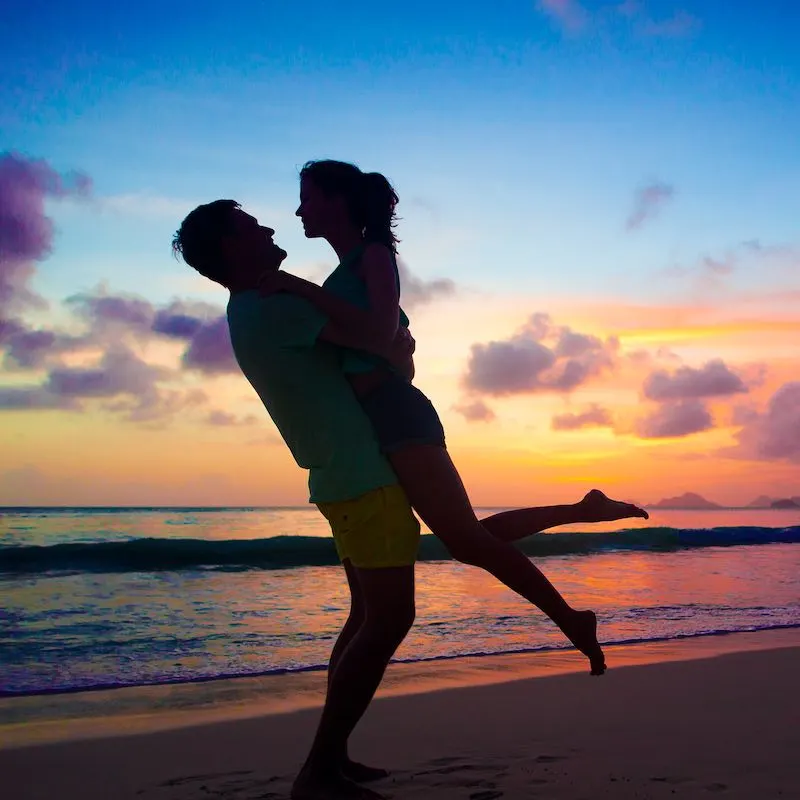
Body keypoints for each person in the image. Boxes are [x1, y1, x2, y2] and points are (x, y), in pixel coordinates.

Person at [258, 160, 650, 678]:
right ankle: (582, 516)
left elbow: (380, 336)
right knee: (467, 538)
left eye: (307, 196)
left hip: (398, 415)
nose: (299, 208)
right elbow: (392, 351)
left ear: (340, 200)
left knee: (466, 541)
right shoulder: (341, 273)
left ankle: (573, 618)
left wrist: (299, 288)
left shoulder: (373, 256)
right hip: (376, 421)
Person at [173, 201, 418, 800]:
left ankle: (331, 758)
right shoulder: (273, 305)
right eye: (254, 227)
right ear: (232, 249)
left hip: (337, 476)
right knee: (389, 619)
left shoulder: (247, 310)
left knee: (364, 616)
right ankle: (318, 771)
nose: (271, 228)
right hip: (362, 474)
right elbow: (375, 337)